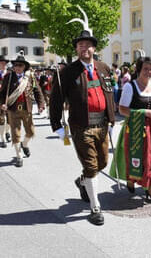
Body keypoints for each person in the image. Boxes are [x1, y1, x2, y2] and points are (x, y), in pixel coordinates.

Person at [50, 29, 115, 226]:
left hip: (102, 124)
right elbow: (56, 100)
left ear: (94, 48)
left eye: (87, 45)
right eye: (80, 45)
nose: (84, 48)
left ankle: (82, 182)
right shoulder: (66, 73)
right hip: (81, 126)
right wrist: (57, 126)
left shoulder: (104, 68)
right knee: (91, 166)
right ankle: (95, 208)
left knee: (102, 163)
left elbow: (109, 95)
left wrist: (112, 120)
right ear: (77, 49)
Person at [110, 56, 151, 203]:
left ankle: (150, 188)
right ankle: (131, 179)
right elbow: (122, 109)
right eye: (145, 69)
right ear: (139, 70)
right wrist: (143, 113)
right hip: (135, 128)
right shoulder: (130, 86)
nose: (149, 72)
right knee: (136, 158)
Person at [0, 54, 45, 167]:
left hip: (27, 108)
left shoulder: (30, 77)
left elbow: (37, 91)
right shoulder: (8, 77)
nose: (18, 67)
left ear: (24, 66)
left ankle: (24, 145)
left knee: (30, 132)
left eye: (20, 65)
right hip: (13, 109)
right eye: (16, 65)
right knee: (15, 133)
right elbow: (2, 93)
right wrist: (3, 104)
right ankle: (19, 156)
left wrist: (41, 104)